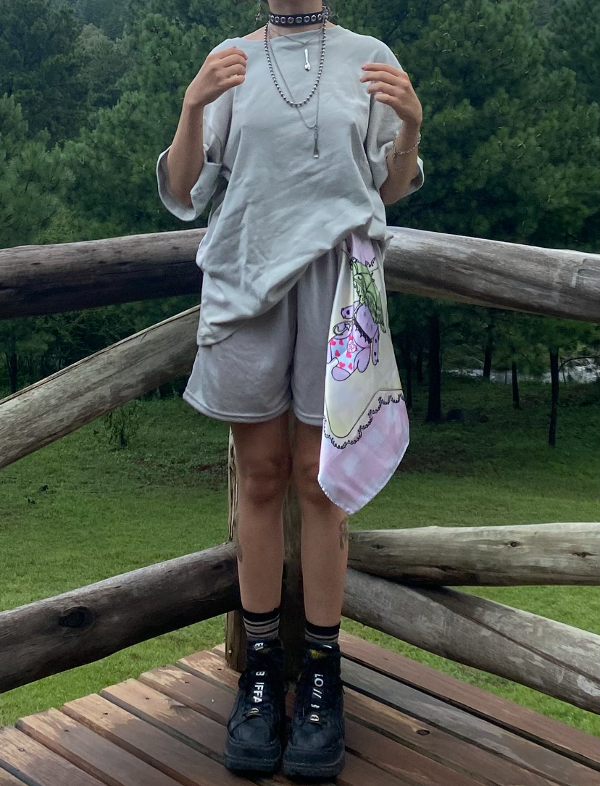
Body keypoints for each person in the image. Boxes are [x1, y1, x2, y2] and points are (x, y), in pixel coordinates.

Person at [156, 1, 424, 777]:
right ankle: (263, 669)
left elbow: (390, 189)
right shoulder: (230, 59)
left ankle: (324, 676)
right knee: (262, 476)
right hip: (244, 279)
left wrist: (410, 125)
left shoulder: (370, 56)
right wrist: (192, 105)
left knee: (320, 478)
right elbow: (184, 189)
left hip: (338, 286)